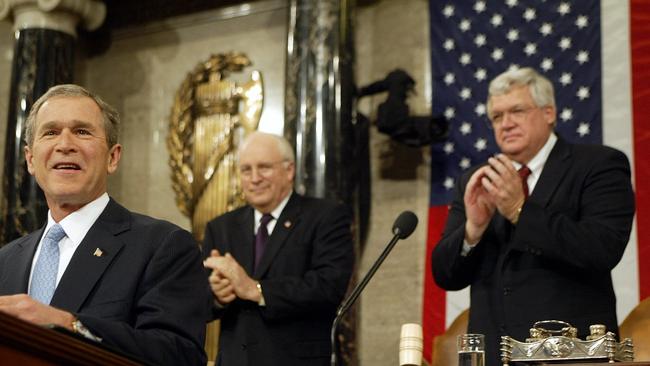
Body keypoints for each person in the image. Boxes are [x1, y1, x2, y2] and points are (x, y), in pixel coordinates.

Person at [431, 67, 635, 366]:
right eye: (497, 117)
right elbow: (446, 275)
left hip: (570, 355)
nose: (506, 124)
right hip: (493, 357)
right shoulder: (476, 180)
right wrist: (473, 229)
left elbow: (602, 249)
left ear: (549, 113)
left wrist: (519, 211)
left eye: (517, 110)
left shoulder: (599, 165)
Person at [0, 84, 209, 365]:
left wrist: (70, 324)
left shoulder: (163, 245)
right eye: (50, 132)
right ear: (30, 159)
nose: (65, 144)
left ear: (113, 157)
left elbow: (179, 354)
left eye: (82, 131)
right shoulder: (6, 259)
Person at [202, 131, 354, 366]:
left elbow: (328, 287)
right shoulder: (221, 227)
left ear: (289, 170)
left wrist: (256, 289)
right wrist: (216, 296)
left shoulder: (325, 217)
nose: (254, 178)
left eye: (264, 167)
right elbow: (197, 304)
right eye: (246, 170)